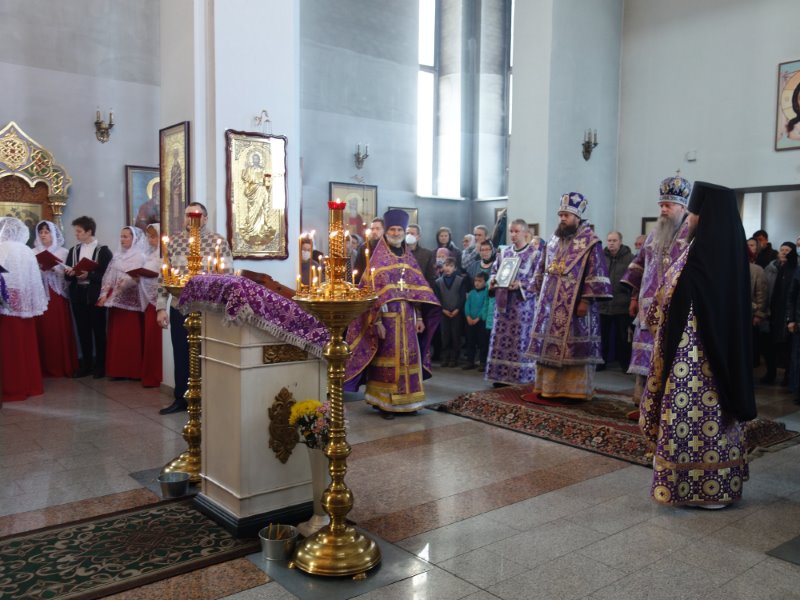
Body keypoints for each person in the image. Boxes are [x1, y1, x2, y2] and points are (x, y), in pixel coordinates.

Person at [640, 181, 755, 507]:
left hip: (695, 360)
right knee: (711, 422)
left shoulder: (706, 255)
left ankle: (697, 487)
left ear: (705, 215)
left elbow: (681, 298)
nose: (688, 220)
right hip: (710, 358)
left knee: (695, 419)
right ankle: (713, 487)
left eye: (692, 214)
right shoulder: (720, 250)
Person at [344, 209, 441, 418]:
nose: (396, 233)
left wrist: (420, 317)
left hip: (409, 317)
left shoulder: (409, 258)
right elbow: (371, 294)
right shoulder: (378, 259)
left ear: (404, 232)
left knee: (409, 358)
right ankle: (384, 403)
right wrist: (377, 322)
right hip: (387, 319)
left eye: (399, 230)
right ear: (386, 232)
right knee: (387, 360)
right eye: (392, 229)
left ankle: (409, 401)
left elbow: (417, 291)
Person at [525, 193, 611, 401]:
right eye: (561, 215)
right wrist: (537, 289)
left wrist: (585, 300)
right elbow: (542, 266)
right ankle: (548, 387)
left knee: (572, 351)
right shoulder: (554, 240)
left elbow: (595, 273)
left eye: (567, 215)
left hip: (575, 307)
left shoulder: (591, 242)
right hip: (549, 306)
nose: (562, 218)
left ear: (577, 217)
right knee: (548, 347)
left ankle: (575, 391)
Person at [622, 175, 691, 416]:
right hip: (646, 309)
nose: (663, 209)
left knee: (668, 359)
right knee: (645, 358)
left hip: (675, 309)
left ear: (681, 207)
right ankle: (644, 406)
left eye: (668, 205)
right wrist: (633, 298)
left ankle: (665, 409)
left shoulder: (691, 234)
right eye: (661, 205)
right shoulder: (654, 234)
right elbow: (639, 266)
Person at [156, 202, 233, 414]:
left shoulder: (218, 241)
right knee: (181, 352)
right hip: (180, 306)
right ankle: (181, 399)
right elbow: (164, 276)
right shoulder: (174, 241)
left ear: (205, 219)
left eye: (196, 215)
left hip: (209, 309)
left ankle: (209, 400)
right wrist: (161, 307)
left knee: (208, 353)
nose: (191, 219)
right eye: (188, 215)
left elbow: (227, 276)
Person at [485, 218, 542, 387]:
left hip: (522, 306)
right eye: (511, 231)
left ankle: (520, 377)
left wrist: (521, 284)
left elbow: (538, 280)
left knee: (519, 341)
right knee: (500, 340)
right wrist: (493, 281)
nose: (513, 234)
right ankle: (500, 376)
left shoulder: (534, 254)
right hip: (503, 304)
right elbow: (494, 271)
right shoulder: (504, 252)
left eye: (517, 231)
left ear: (525, 232)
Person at [0, 217, 48, 401]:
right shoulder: (27, 250)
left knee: (8, 346)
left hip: (5, 305)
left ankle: (10, 386)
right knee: (24, 344)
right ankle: (29, 384)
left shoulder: (2, 248)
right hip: (24, 304)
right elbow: (34, 281)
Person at [65, 215, 113, 379]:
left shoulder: (103, 251)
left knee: (99, 331)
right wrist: (70, 273)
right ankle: (85, 365)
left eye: (79, 231)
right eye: (76, 231)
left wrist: (89, 275)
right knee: (83, 331)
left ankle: (100, 366)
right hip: (78, 295)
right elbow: (67, 276)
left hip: (95, 295)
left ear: (89, 231)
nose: (76, 234)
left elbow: (108, 276)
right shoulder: (73, 251)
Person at [98, 226, 147, 380]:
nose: (122, 239)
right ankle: (117, 370)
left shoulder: (140, 256)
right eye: (121, 236)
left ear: (134, 239)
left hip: (131, 302)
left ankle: (132, 371)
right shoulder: (117, 255)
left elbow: (138, 278)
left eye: (126, 236)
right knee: (117, 337)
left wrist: (126, 282)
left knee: (129, 337)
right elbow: (108, 277)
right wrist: (104, 293)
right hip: (115, 302)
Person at [33, 220, 79, 378]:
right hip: (40, 295)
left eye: (47, 232)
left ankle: (61, 365)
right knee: (42, 330)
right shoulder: (32, 252)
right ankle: (42, 367)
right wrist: (39, 269)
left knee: (56, 329)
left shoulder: (63, 252)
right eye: (41, 232)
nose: (43, 235)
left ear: (53, 234)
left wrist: (55, 269)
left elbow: (69, 276)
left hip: (57, 295)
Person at [762, 242, 798, 384]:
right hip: (771, 311)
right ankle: (770, 373)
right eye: (782, 249)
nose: (783, 252)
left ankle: (788, 376)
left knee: (787, 347)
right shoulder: (769, 269)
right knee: (768, 345)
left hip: (786, 312)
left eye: (787, 250)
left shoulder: (794, 269)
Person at [598, 231, 634, 371]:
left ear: (620, 241)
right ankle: (601, 362)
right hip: (604, 304)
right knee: (603, 337)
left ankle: (625, 364)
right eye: (609, 240)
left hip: (622, 304)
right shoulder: (601, 257)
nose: (611, 243)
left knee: (623, 337)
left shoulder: (630, 258)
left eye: (614, 240)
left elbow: (634, 280)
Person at [140, 223, 162, 388]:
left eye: (153, 236)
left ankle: (158, 375)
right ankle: (149, 374)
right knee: (149, 339)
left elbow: (163, 276)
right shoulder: (149, 255)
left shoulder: (163, 255)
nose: (150, 240)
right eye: (148, 236)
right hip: (149, 301)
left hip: (158, 301)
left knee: (156, 339)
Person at [239, 151, 276, 247]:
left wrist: (266, 183)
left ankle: (261, 229)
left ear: (260, 160)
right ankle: (251, 228)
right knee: (253, 210)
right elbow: (245, 178)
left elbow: (267, 182)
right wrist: (252, 179)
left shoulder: (263, 169)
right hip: (253, 190)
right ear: (252, 160)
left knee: (261, 209)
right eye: (254, 158)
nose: (256, 160)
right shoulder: (249, 169)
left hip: (262, 190)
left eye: (257, 158)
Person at [434, 257, 466, 368]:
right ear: (443, 267)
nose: (448, 268)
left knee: (455, 336)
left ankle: (454, 358)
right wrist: (443, 309)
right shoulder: (438, 282)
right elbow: (437, 298)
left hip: (456, 313)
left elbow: (462, 297)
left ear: (455, 268)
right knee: (445, 336)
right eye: (446, 265)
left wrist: (457, 309)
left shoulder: (460, 280)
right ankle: (445, 358)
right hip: (444, 312)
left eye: (451, 266)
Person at [463, 271, 490, 370]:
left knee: (482, 342)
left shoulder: (486, 293)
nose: (477, 283)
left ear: (485, 282)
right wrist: (468, 316)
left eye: (480, 281)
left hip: (481, 321)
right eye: (475, 281)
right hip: (470, 321)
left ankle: (482, 362)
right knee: (470, 342)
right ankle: (470, 361)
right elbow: (467, 305)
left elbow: (485, 306)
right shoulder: (471, 293)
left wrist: (478, 318)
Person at [353, 217, 384, 283]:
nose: (374, 231)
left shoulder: (388, 247)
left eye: (377, 229)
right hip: (366, 284)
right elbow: (358, 269)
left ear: (384, 230)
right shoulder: (364, 247)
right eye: (372, 229)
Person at [406, 224, 437, 288]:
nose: (409, 235)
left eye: (412, 233)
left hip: (420, 288)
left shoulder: (426, 254)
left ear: (418, 237)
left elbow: (430, 276)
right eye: (407, 233)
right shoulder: (398, 252)